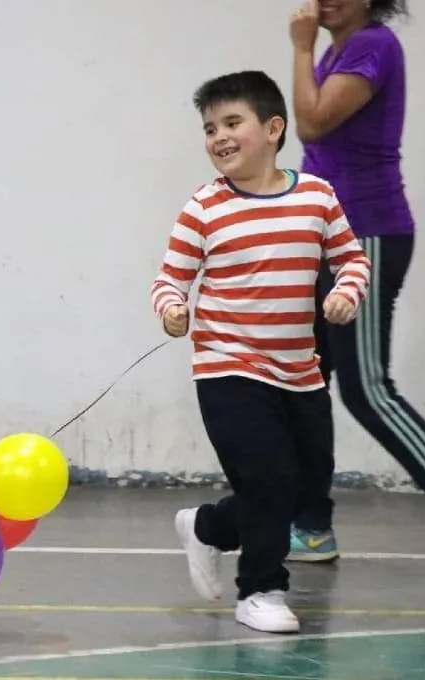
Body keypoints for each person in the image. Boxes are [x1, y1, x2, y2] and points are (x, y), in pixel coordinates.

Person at [151, 71, 371, 633]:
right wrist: (173, 310)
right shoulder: (204, 208)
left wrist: (346, 293)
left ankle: (209, 527)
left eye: (232, 122)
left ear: (273, 129)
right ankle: (261, 591)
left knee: (300, 489)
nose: (218, 136)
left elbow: (352, 259)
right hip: (228, 369)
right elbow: (169, 281)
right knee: (269, 480)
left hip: (301, 372)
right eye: (208, 128)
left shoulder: (316, 196)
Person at [286, 0, 425, 573]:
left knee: (368, 391)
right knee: (304, 386)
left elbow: (312, 122)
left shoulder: (373, 46)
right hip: (330, 239)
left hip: (367, 237)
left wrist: (299, 48)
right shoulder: (338, 52)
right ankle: (311, 527)